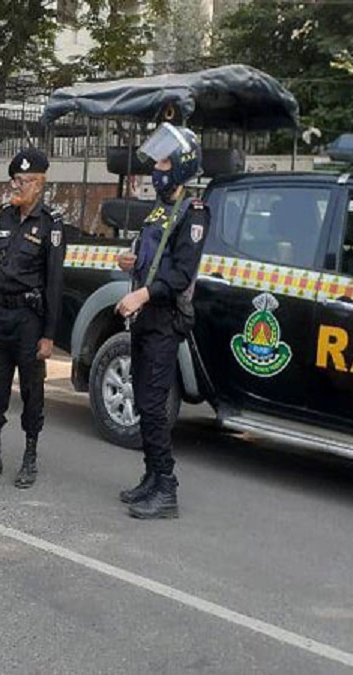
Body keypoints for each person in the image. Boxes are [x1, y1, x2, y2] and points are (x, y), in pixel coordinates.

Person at [115, 123, 210, 520]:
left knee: (154, 406)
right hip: (144, 318)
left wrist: (142, 293)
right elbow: (153, 258)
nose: (157, 167)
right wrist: (132, 263)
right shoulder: (160, 208)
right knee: (142, 398)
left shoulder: (194, 212)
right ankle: (151, 477)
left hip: (164, 318)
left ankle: (166, 488)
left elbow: (181, 275)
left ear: (183, 165)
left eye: (165, 160)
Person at [0, 148, 65, 489]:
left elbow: (55, 282)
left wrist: (49, 335)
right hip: (1, 316)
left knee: (31, 391)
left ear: (40, 184)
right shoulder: (6, 218)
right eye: (15, 180)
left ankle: (29, 457)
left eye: (25, 181)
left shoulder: (51, 224)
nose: (17, 186)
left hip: (29, 320)